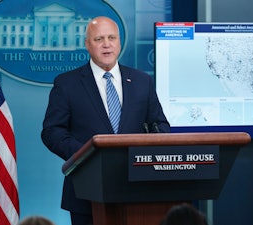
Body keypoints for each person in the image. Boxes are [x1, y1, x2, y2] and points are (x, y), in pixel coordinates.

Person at [41, 16, 170, 225]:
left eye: (112, 37)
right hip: (86, 192)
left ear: (119, 41)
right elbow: (52, 131)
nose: (107, 44)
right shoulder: (67, 84)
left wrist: (145, 153)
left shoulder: (141, 81)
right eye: (99, 39)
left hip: (137, 189)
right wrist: (86, 155)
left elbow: (161, 126)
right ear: (87, 44)